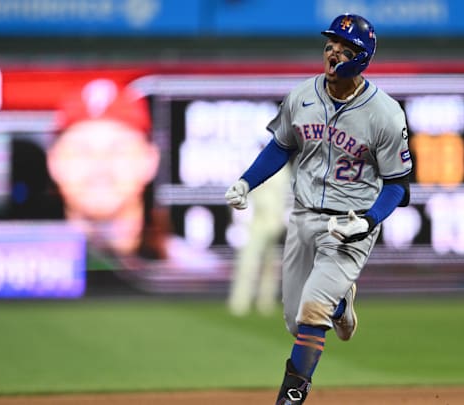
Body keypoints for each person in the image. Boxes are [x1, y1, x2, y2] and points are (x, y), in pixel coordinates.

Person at [224, 14, 412, 404]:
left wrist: (368, 220)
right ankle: (341, 303)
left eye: (342, 48)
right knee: (297, 320)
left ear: (360, 58)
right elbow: (281, 146)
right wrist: (246, 181)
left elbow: (396, 184)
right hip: (304, 216)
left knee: (312, 312)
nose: (331, 53)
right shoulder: (302, 96)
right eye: (329, 45)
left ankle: (289, 399)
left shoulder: (386, 114)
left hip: (351, 224)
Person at [48, 78, 219, 276]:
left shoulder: (196, 274)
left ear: (150, 160)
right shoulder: (25, 271)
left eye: (119, 150)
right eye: (81, 151)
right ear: (53, 162)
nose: (100, 166)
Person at [228, 162, 291, 317]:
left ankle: (266, 302)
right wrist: (242, 220)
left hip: (275, 221)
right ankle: (239, 302)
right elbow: (241, 193)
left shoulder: (284, 170)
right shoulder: (253, 166)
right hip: (256, 222)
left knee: (271, 265)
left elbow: (286, 196)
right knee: (248, 262)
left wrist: (283, 220)